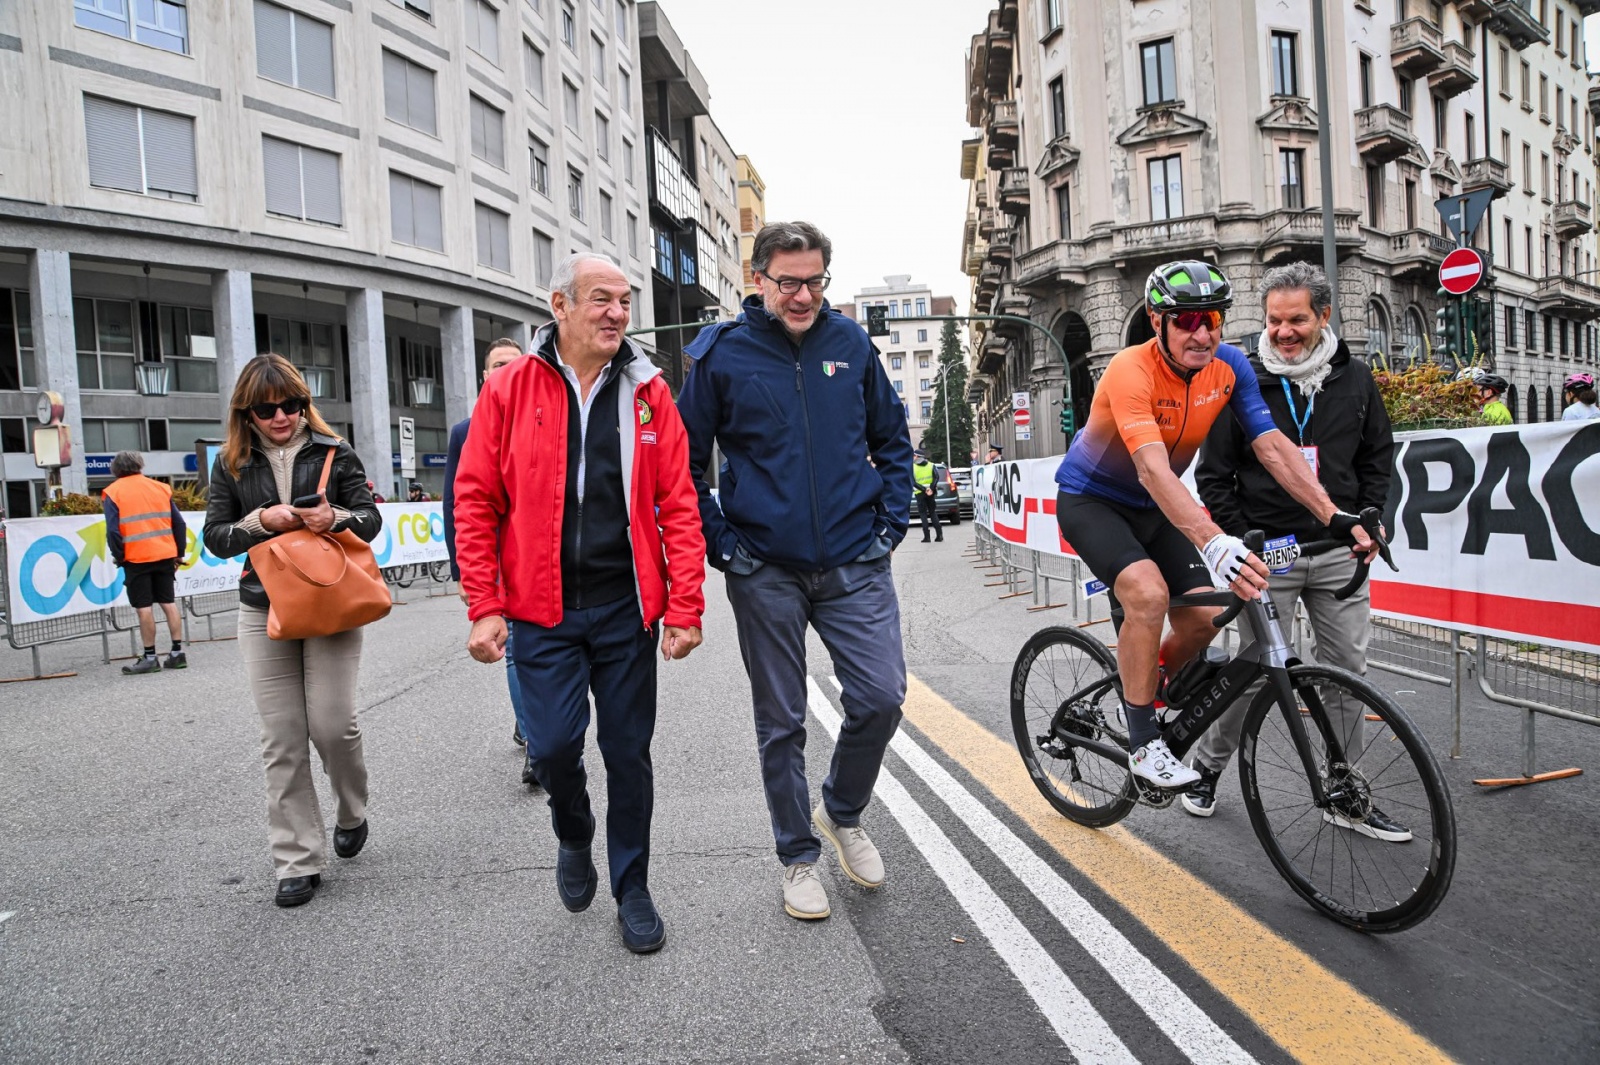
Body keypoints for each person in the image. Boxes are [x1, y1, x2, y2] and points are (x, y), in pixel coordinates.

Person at [453, 253, 705, 955]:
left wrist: (685, 604)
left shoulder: (651, 391)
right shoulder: (508, 390)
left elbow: (679, 504)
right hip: (541, 610)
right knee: (556, 746)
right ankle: (573, 828)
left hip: (627, 609)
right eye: (601, 299)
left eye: (623, 301)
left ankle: (634, 887)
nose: (616, 313)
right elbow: (475, 499)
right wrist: (484, 603)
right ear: (559, 306)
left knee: (629, 752)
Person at [1053, 260, 1377, 791]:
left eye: (1212, 319)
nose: (1202, 333)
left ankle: (1151, 683)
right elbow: (1152, 469)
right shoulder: (1130, 369)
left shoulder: (1230, 366)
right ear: (1158, 322)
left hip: (1157, 507)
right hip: (1095, 500)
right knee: (1147, 593)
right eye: (1186, 321)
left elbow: (1273, 448)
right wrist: (1214, 541)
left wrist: (1334, 515)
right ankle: (1142, 742)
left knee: (1206, 616)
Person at [678, 221, 914, 922]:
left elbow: (892, 439)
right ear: (758, 280)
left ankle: (842, 808)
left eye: (815, 280)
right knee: (781, 720)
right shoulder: (721, 356)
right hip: (765, 568)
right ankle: (798, 858)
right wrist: (725, 545)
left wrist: (889, 525)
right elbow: (684, 468)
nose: (804, 294)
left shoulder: (850, 344)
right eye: (789, 282)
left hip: (854, 560)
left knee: (881, 696)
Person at [1190, 262, 1407, 839]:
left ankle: (1344, 786)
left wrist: (1370, 518)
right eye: (1274, 321)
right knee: (1259, 673)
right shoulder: (1243, 377)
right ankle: (1206, 768)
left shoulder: (1356, 378)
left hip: (1338, 552)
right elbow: (1213, 477)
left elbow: (1376, 460)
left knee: (1346, 673)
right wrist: (1242, 537)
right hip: (1269, 554)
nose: (1284, 332)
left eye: (1297, 320)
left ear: (1324, 317)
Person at [203, 353, 382, 908]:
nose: (281, 417)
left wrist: (337, 519)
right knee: (281, 737)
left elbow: (371, 519)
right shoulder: (231, 464)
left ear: (305, 404)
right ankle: (297, 859)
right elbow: (215, 536)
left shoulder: (335, 451)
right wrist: (261, 522)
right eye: (267, 408)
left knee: (332, 725)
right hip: (262, 607)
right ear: (247, 412)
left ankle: (352, 808)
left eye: (292, 405)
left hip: (329, 601)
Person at [443, 338, 534, 767]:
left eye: (513, 364)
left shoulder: (541, 419)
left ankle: (535, 724)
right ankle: (534, 736)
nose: (504, 371)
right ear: (484, 375)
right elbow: (455, 504)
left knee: (531, 646)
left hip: (530, 558)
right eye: (496, 364)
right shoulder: (465, 430)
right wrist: (462, 570)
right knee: (514, 648)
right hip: (489, 558)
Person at [101, 450, 187, 674]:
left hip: (136, 558)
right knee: (168, 602)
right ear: (140, 465)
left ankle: (150, 657)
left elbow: (113, 530)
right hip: (165, 554)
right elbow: (179, 523)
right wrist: (179, 552)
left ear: (116, 469)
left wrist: (119, 556)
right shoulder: (160, 488)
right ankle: (177, 653)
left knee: (144, 608)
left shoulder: (113, 492)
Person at [912, 447, 943, 543]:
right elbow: (936, 477)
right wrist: (931, 489)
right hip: (930, 493)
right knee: (933, 512)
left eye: (914, 455)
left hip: (919, 493)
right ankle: (939, 535)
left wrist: (924, 489)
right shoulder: (931, 465)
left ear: (917, 456)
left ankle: (927, 537)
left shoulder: (912, 467)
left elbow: (912, 482)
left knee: (923, 514)